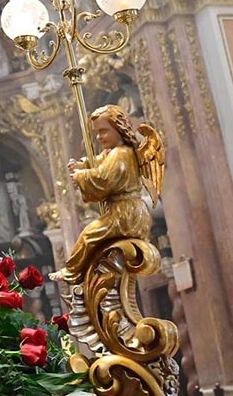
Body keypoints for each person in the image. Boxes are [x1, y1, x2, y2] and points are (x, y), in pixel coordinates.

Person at [57, 104, 163, 283]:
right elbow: (97, 162)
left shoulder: (121, 154)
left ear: (119, 129)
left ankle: (71, 272)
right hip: (125, 212)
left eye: (104, 131)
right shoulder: (112, 153)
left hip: (125, 214)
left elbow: (104, 179)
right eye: (97, 132)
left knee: (89, 236)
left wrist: (81, 176)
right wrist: (82, 165)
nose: (99, 137)